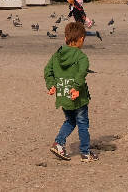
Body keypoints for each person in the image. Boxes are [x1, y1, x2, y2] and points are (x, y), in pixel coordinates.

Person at [44, 21, 96, 162]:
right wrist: (77, 88)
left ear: (66, 39)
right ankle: (85, 153)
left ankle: (58, 143)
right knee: (83, 124)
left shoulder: (57, 55)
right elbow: (81, 73)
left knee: (70, 121)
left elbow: (47, 70)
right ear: (81, 39)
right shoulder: (82, 57)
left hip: (63, 96)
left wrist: (51, 85)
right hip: (78, 98)